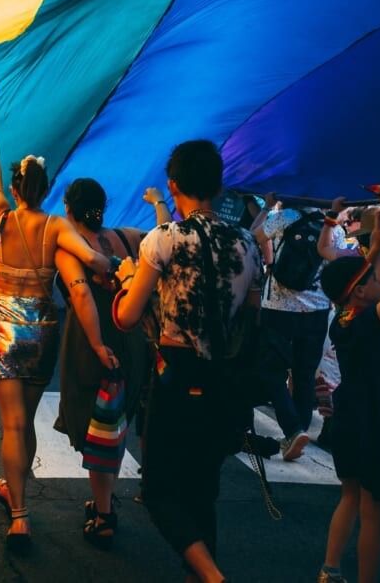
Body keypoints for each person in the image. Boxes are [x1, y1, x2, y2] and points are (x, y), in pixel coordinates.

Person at [113, 140, 262, 583]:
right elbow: (252, 316)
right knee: (202, 493)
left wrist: (125, 280)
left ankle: (214, 578)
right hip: (224, 379)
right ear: (217, 186)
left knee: (158, 490)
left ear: (173, 185)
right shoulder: (247, 243)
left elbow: (127, 317)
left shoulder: (164, 240)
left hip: (175, 375)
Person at [0, 77, 110, 550]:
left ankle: (20, 515)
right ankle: (15, 491)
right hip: (43, 328)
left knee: (9, 425)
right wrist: (117, 268)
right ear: (48, 188)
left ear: (15, 186)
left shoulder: (0, 215)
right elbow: (92, 260)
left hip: (4, 325)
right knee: (24, 423)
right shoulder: (56, 226)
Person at [54, 179, 162, 548]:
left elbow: (81, 292)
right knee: (115, 423)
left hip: (92, 342)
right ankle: (104, 499)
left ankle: (104, 515)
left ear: (70, 209)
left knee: (97, 426)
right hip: (132, 339)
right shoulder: (130, 237)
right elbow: (165, 239)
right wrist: (159, 203)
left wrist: (98, 344)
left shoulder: (71, 248)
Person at [316, 198, 380, 583]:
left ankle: (330, 568)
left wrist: (379, 248)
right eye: (368, 282)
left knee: (349, 496)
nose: (376, 283)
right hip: (374, 416)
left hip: (348, 414)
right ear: (358, 294)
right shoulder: (371, 325)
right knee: (374, 509)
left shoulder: (344, 321)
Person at [251, 193, 347, 461]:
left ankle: (293, 430)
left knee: (271, 371)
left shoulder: (283, 217)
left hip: (279, 309)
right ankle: (299, 432)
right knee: (304, 376)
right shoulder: (334, 228)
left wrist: (268, 207)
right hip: (316, 310)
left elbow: (253, 238)